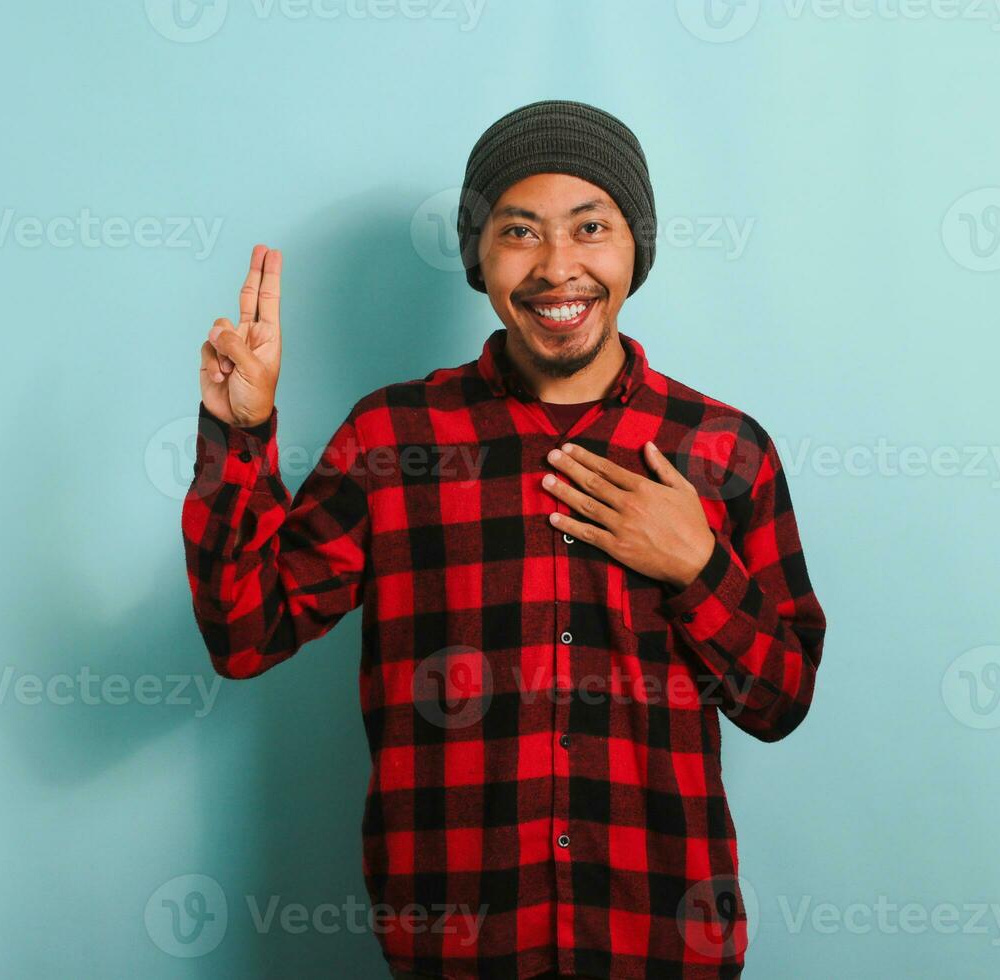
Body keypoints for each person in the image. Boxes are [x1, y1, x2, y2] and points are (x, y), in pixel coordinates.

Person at [182, 99, 827, 980]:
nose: (559, 268)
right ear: (478, 259)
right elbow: (244, 632)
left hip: (661, 946)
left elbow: (779, 701)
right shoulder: (390, 441)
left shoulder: (723, 450)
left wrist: (698, 567)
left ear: (635, 247)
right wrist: (238, 435)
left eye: (590, 227)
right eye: (520, 232)